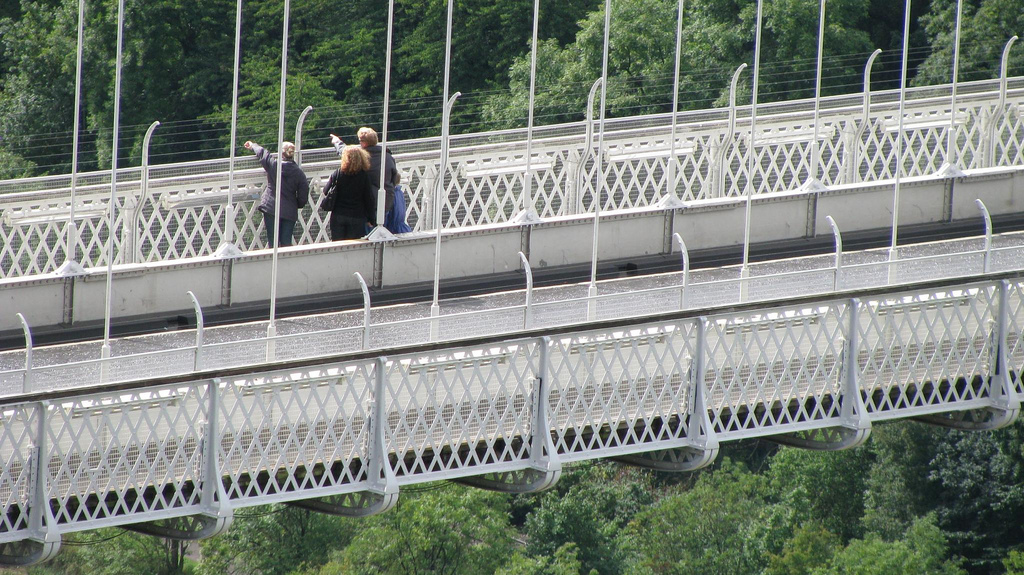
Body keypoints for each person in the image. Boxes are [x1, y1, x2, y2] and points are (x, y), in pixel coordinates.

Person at [245, 139, 309, 248]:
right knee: (286, 243)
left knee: (273, 242)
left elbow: (263, 153)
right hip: (289, 210)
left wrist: (252, 145)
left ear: (281, 153)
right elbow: (303, 194)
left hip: (271, 207)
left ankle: (273, 263)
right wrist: (296, 204)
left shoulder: (274, 165)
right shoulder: (299, 173)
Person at [331, 127, 400, 217]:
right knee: (381, 228)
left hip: (368, 203)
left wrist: (337, 142)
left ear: (363, 142)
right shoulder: (387, 156)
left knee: (368, 229)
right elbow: (394, 178)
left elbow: (346, 152)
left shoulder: (361, 157)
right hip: (386, 202)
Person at [324, 145, 376, 240]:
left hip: (338, 215)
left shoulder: (338, 173)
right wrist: (372, 219)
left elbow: (325, 190)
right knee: (353, 247)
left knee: (337, 246)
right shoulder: (364, 176)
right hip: (357, 216)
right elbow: (369, 198)